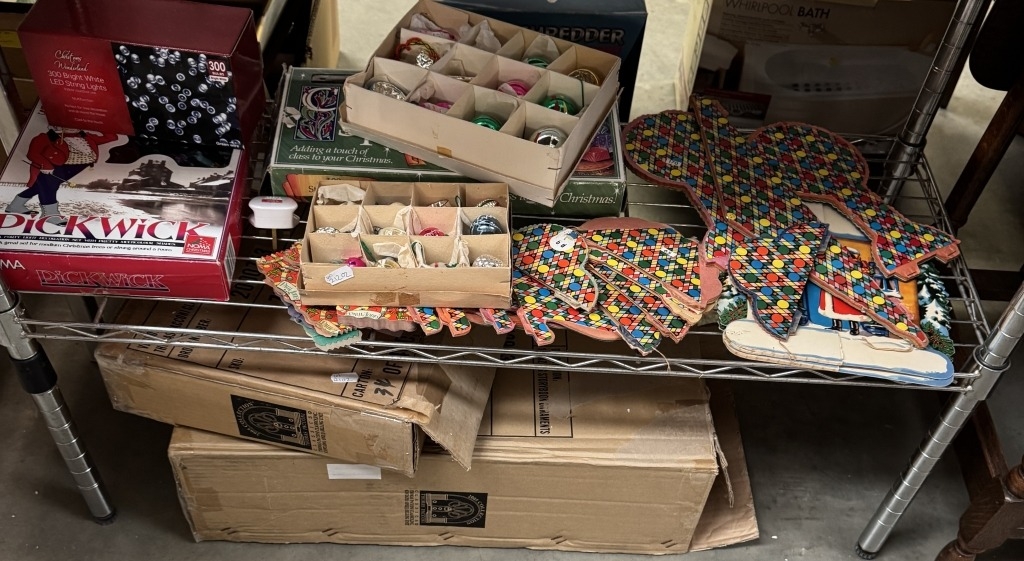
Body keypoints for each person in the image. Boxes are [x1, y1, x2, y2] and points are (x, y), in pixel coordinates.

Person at [5, 127, 119, 225]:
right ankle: (50, 216)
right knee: (49, 188)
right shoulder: (46, 137)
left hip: (74, 168)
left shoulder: (85, 136)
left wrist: (97, 124)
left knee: (40, 187)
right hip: (53, 167)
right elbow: (32, 153)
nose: (71, 127)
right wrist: (46, 166)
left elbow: (112, 137)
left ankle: (15, 205)